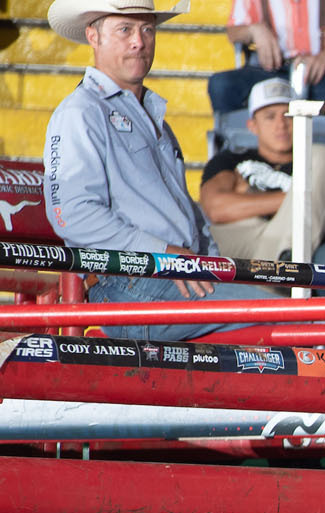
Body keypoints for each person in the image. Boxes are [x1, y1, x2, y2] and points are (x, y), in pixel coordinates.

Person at [42, 0, 276, 341]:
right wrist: (163, 254)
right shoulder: (80, 112)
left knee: (289, 315)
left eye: (147, 29)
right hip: (128, 283)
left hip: (165, 279)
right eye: (125, 30)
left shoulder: (154, 119)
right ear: (93, 36)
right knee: (292, 317)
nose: (139, 41)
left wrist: (209, 264)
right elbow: (72, 215)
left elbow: (188, 214)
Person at [198, 76, 325, 261]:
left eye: (288, 116)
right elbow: (216, 208)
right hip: (239, 236)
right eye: (270, 117)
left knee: (323, 153)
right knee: (194, 243)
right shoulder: (230, 159)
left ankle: (287, 263)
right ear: (252, 125)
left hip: (289, 240)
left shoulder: (314, 163)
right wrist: (296, 198)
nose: (281, 125)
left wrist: (248, 196)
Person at [208, 0, 325, 114]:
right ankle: (236, 152)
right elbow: (233, 31)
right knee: (221, 84)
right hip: (272, 72)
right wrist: (254, 30)